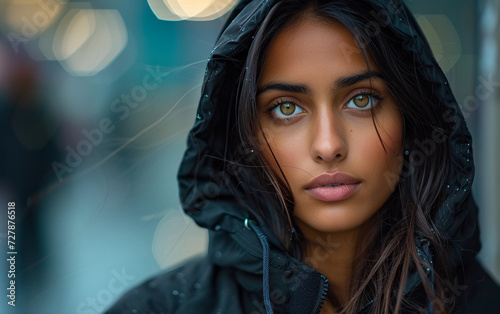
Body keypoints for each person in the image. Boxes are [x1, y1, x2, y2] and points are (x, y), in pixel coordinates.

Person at [106, 0, 500, 313]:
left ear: (411, 118)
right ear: (246, 136)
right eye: (286, 108)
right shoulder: (158, 309)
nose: (328, 146)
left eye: (361, 100)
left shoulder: (479, 303)